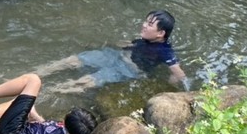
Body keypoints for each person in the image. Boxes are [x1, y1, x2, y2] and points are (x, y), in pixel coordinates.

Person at [40, 10, 188, 91]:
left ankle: (51, 90)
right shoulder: (147, 38)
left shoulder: (165, 51)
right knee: (74, 60)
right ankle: (39, 74)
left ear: (160, 33)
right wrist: (109, 43)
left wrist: (170, 86)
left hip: (126, 70)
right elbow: (132, 45)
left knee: (86, 81)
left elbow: (179, 73)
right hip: (115, 56)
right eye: (145, 21)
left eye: (149, 24)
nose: (143, 25)